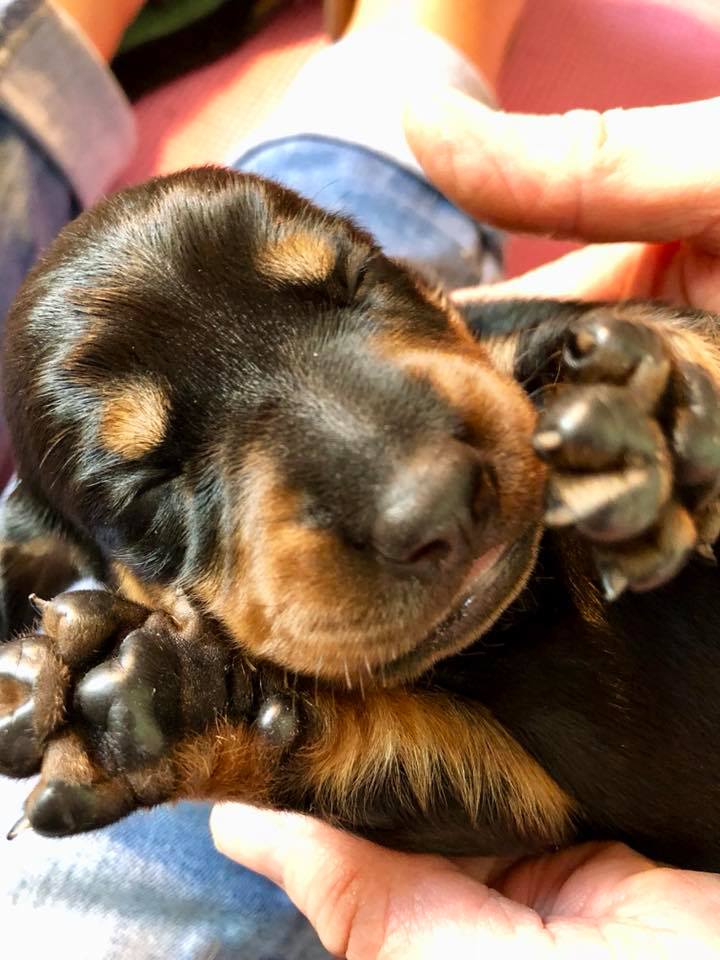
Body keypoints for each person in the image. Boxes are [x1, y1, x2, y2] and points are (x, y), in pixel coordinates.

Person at [2, 0, 720, 957]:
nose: (410, 487)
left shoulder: (565, 374)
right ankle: (405, 55)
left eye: (351, 284)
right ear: (71, 565)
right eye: (156, 486)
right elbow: (501, 793)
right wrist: (232, 738)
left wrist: (680, 394)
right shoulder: (363, 707)